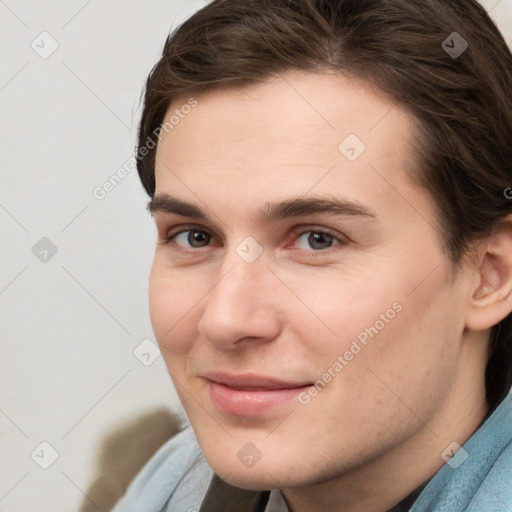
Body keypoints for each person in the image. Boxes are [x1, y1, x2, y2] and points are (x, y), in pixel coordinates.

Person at [112, 0, 512, 510]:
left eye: (317, 239)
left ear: (491, 273)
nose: (224, 320)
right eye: (194, 236)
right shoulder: (169, 486)